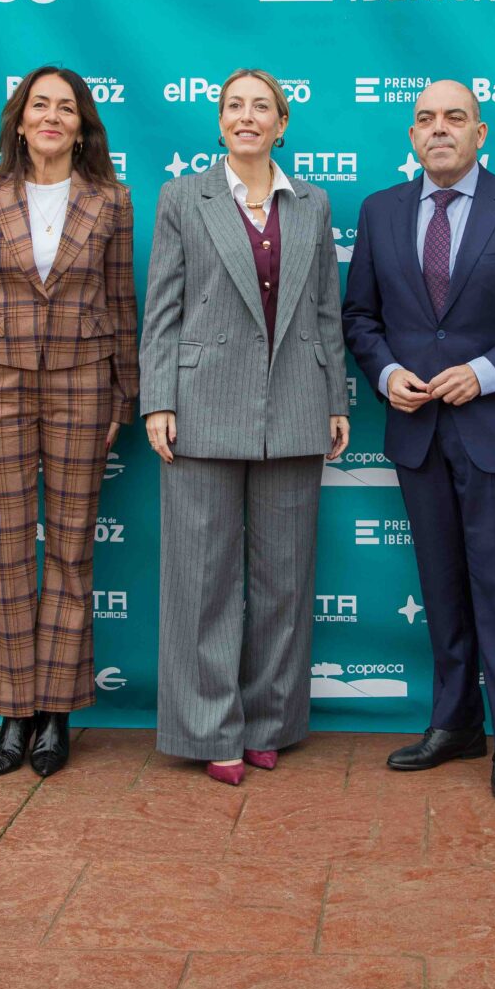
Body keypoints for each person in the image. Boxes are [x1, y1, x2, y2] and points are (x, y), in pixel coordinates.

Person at [344, 79, 495, 802]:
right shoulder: (380, 211)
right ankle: (456, 724)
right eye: (425, 119)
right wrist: (385, 373)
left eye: (455, 118)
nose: (438, 129)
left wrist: (485, 373)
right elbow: (360, 317)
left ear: (480, 134)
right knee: (443, 591)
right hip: (417, 432)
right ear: (411, 137)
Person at [140, 68, 348, 786]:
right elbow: (162, 307)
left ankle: (270, 723)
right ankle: (210, 729)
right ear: (220, 121)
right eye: (235, 105)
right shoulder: (182, 197)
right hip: (200, 407)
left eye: (262, 106)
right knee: (201, 580)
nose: (247, 116)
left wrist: (337, 400)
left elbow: (326, 311)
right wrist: (157, 398)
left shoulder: (313, 204)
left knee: (285, 579)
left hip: (294, 406)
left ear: (282, 123)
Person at [0, 66, 139, 779]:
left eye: (65, 108)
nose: (51, 116)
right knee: (5, 553)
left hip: (84, 384)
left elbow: (122, 305)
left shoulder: (111, 199)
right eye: (38, 105)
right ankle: (12, 714)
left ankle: (57, 713)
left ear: (81, 125)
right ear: (18, 122)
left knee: (71, 553)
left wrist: (124, 396)